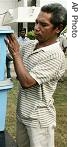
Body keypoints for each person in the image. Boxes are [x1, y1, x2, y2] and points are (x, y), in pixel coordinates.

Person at [4, 3, 66, 147]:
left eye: (43, 25)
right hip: (22, 114)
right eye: (36, 22)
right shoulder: (30, 45)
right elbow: (19, 70)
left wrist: (17, 54)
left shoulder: (55, 55)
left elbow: (26, 82)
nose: (36, 28)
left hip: (39, 120)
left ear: (58, 28)